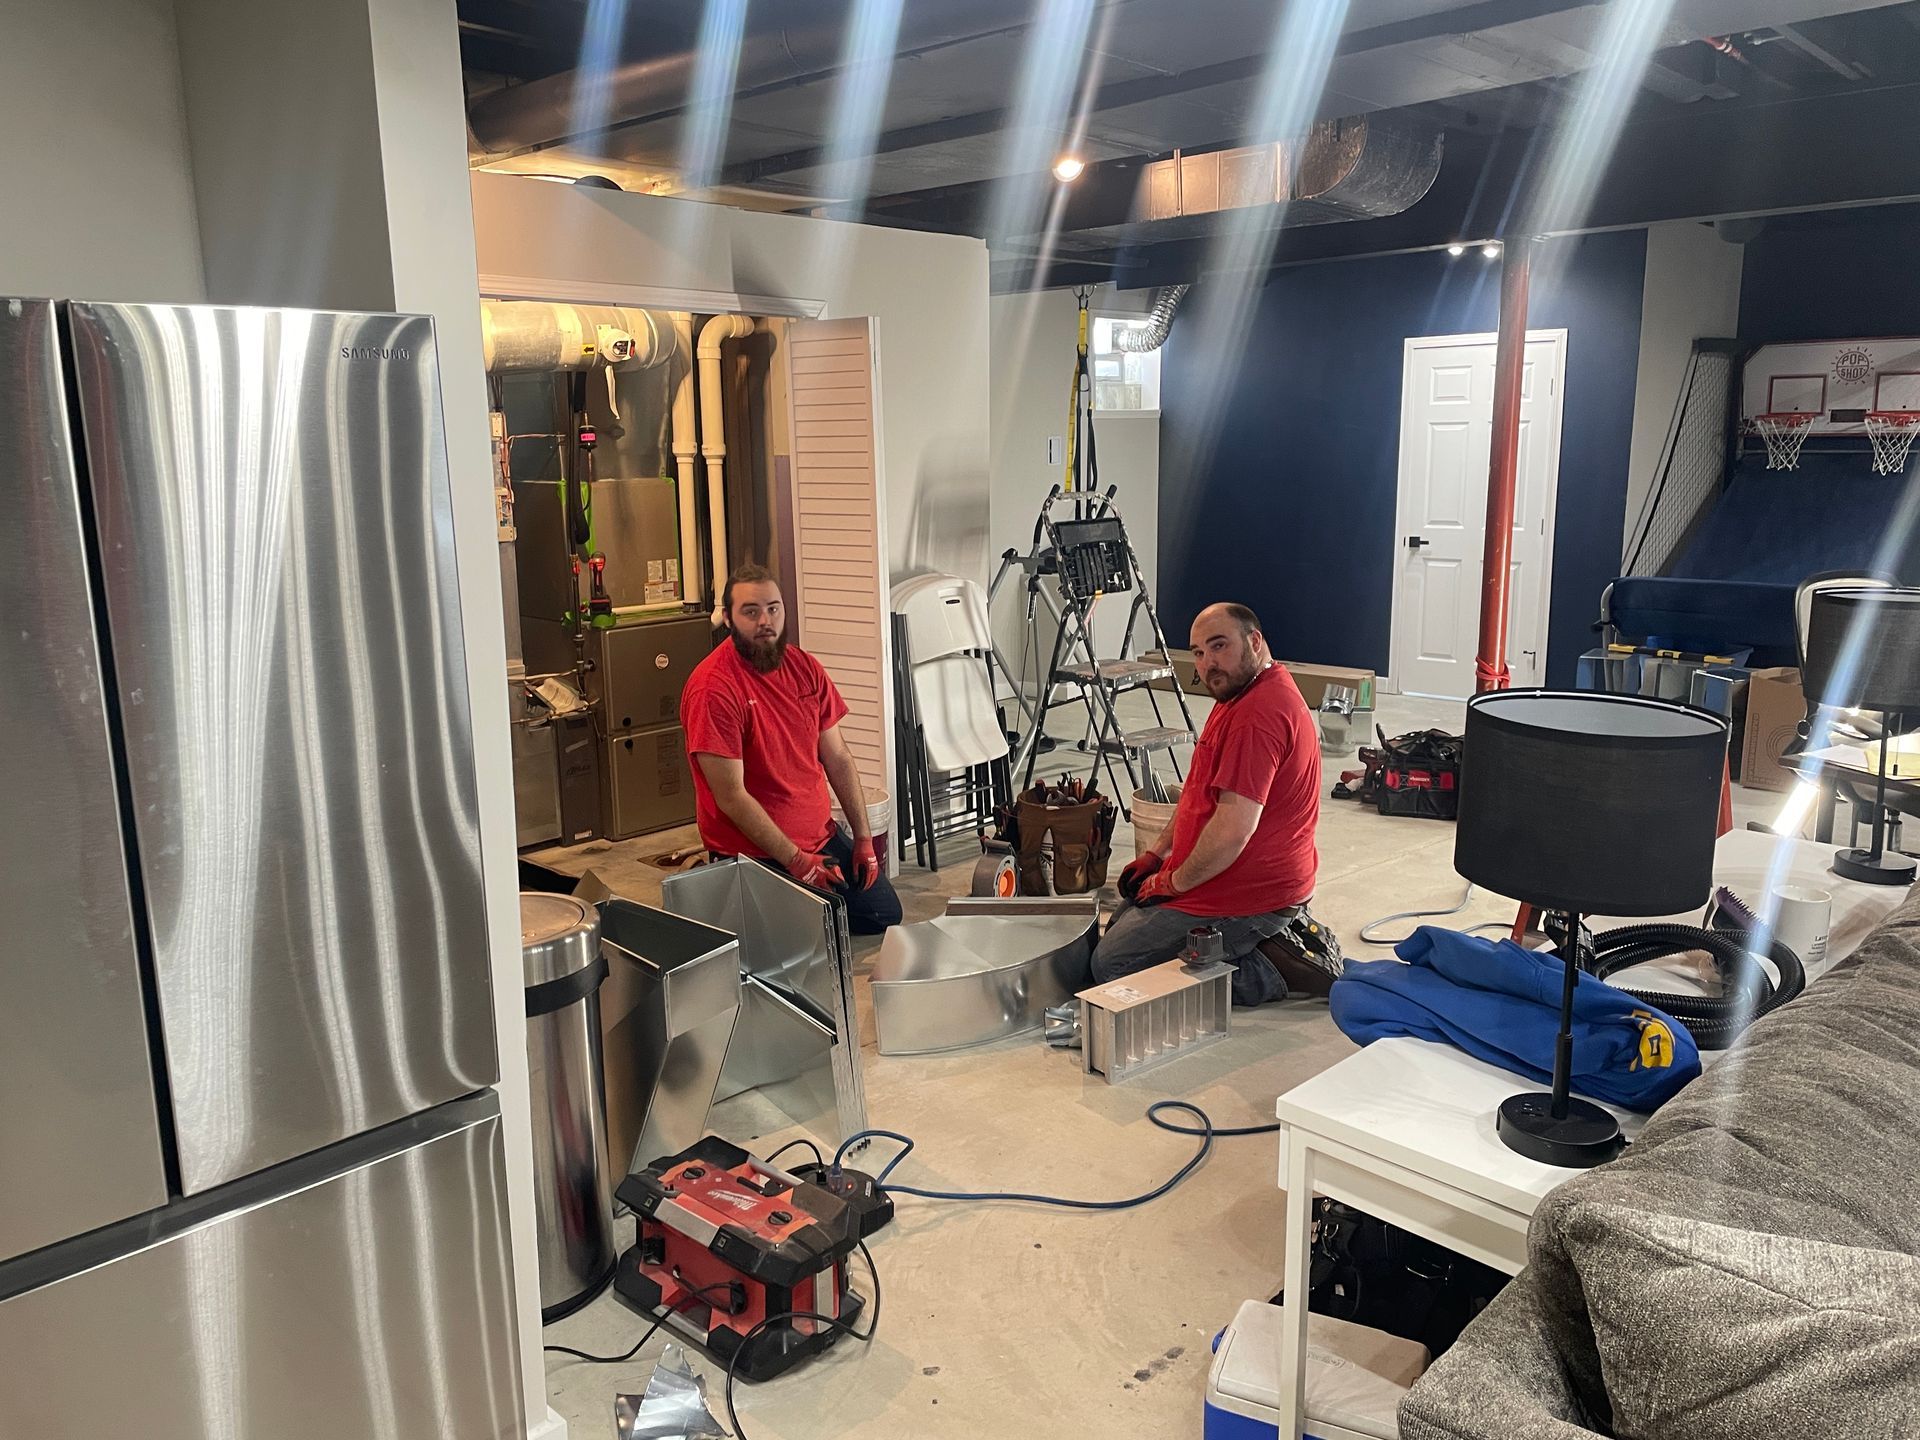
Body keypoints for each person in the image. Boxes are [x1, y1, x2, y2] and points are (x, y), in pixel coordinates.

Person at [1090, 601, 1330, 1005]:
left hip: (1250, 893)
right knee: (1118, 925)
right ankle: (1249, 944)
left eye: (1219, 646)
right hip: (1221, 877)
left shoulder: (1259, 715)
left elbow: (1233, 831)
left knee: (1111, 969)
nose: (1207, 664)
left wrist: (1171, 882)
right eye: (1198, 652)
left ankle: (1271, 968)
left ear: (1254, 641)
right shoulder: (1238, 694)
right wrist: (1157, 853)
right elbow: (1199, 791)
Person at [681, 563, 904, 934]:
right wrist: (799, 862)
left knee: (883, 913)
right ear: (728, 618)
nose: (765, 621)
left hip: (821, 837)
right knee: (804, 937)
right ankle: (726, 885)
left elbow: (838, 758)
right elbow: (732, 797)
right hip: (756, 852)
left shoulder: (804, 668)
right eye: (750, 612)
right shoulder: (713, 688)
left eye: (773, 608)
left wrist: (863, 839)